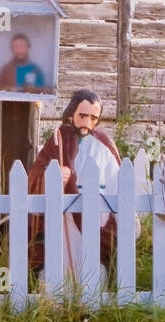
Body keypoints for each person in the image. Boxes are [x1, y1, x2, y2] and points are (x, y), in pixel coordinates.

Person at [27, 89, 121, 283]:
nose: (87, 123)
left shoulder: (103, 145)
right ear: (72, 113)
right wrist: (52, 178)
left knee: (90, 264)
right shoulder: (56, 141)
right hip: (63, 218)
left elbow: (116, 185)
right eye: (83, 116)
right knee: (61, 261)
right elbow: (35, 174)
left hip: (95, 216)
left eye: (93, 118)